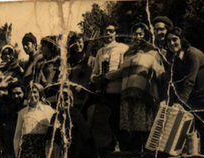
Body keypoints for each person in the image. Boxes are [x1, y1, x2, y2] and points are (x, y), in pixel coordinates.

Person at [105, 22, 165, 151]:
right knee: (132, 130)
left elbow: (160, 74)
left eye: (141, 34)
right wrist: (105, 76)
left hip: (144, 97)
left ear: (146, 35)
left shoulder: (153, 52)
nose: (138, 36)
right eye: (135, 34)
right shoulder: (128, 53)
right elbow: (121, 72)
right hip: (127, 96)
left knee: (145, 129)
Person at [165, 27, 204, 155]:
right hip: (195, 100)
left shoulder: (192, 54)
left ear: (181, 39)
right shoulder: (175, 57)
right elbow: (176, 81)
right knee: (200, 132)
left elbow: (189, 81)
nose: (172, 43)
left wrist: (179, 103)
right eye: (168, 41)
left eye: (175, 39)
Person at [90, 21, 129, 151]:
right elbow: (94, 73)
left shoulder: (123, 48)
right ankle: (109, 153)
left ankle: (125, 153)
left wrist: (107, 77)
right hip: (102, 93)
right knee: (105, 124)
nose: (108, 34)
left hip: (117, 93)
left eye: (111, 31)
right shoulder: (100, 52)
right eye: (106, 31)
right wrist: (96, 78)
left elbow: (124, 70)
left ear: (116, 33)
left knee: (118, 123)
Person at [67, 32, 95, 111]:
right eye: (74, 42)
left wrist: (83, 86)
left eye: (79, 42)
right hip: (74, 97)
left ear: (84, 43)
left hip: (88, 98)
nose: (77, 44)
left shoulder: (92, 60)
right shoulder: (70, 62)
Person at [33, 35, 61, 104]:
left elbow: (48, 83)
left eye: (44, 45)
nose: (41, 47)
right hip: (41, 95)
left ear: (50, 47)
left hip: (53, 97)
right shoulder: (41, 61)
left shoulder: (57, 61)